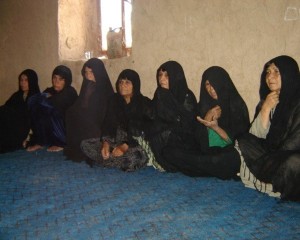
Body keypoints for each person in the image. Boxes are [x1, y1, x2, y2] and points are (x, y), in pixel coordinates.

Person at [162, 66, 250, 179]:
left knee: (230, 159)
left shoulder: (236, 105)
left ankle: (201, 167)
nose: (211, 89)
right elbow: (197, 141)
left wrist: (216, 128)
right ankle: (208, 168)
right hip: (205, 152)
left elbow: (240, 142)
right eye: (207, 84)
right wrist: (206, 120)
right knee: (168, 151)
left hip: (227, 153)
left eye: (214, 83)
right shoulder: (203, 106)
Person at [237, 55, 300, 201]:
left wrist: (272, 157)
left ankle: (271, 181)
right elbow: (254, 136)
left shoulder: (298, 102)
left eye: (276, 72)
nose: (270, 76)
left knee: (294, 162)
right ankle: (273, 180)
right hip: (271, 158)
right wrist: (265, 110)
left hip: (287, 156)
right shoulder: (267, 101)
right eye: (268, 72)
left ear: (288, 74)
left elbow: (295, 141)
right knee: (243, 139)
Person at [81, 69, 154, 172]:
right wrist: (106, 144)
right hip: (115, 141)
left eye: (127, 82)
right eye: (120, 82)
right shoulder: (114, 100)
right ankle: (114, 158)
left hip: (135, 144)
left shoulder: (144, 104)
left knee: (134, 158)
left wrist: (125, 146)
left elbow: (146, 130)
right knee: (85, 145)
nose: (122, 85)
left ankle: (112, 160)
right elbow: (108, 123)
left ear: (135, 85)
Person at [147, 60, 198, 172]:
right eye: (160, 75)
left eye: (167, 76)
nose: (161, 79)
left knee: (169, 146)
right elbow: (154, 115)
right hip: (165, 136)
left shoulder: (186, 95)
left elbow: (188, 124)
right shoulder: (160, 93)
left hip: (185, 139)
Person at [63, 58, 114, 162]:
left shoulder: (104, 88)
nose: (88, 75)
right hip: (87, 120)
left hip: (100, 124)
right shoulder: (87, 86)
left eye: (91, 72)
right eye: (86, 72)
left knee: (86, 119)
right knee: (71, 113)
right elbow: (80, 105)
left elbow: (106, 112)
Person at [27, 65, 78, 152]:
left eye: (60, 79)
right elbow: (32, 101)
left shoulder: (70, 91)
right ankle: (41, 141)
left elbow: (55, 103)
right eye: (54, 78)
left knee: (52, 109)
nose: (56, 82)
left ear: (66, 80)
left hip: (69, 130)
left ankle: (61, 143)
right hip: (53, 130)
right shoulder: (50, 90)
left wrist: (45, 98)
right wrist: (45, 95)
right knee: (37, 108)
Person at [0, 69, 40, 153]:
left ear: (32, 81)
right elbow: (7, 107)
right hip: (11, 125)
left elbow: (36, 120)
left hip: (23, 128)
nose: (22, 83)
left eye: (26, 80)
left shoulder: (36, 97)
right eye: (21, 80)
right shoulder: (17, 95)